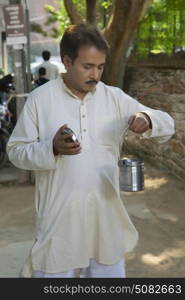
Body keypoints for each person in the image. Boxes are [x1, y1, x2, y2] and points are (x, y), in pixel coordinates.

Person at [7, 24, 175, 278]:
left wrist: (147, 118)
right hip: (60, 217)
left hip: (105, 216)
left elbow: (166, 123)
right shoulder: (41, 99)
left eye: (100, 67)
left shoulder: (114, 98)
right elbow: (16, 152)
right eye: (87, 66)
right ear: (67, 61)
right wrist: (50, 148)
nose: (95, 74)